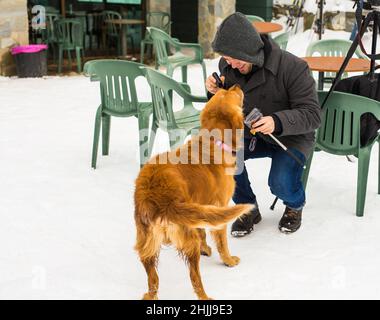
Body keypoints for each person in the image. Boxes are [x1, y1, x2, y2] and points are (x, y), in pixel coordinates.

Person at [205, 12, 321, 236]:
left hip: (290, 136)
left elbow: (312, 115)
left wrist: (277, 121)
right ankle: (247, 208)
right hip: (251, 132)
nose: (231, 65)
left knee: (280, 183)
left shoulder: (293, 67)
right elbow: (226, 103)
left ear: (249, 50)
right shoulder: (229, 66)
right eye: (227, 60)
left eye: (235, 59)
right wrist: (214, 91)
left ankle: (294, 205)